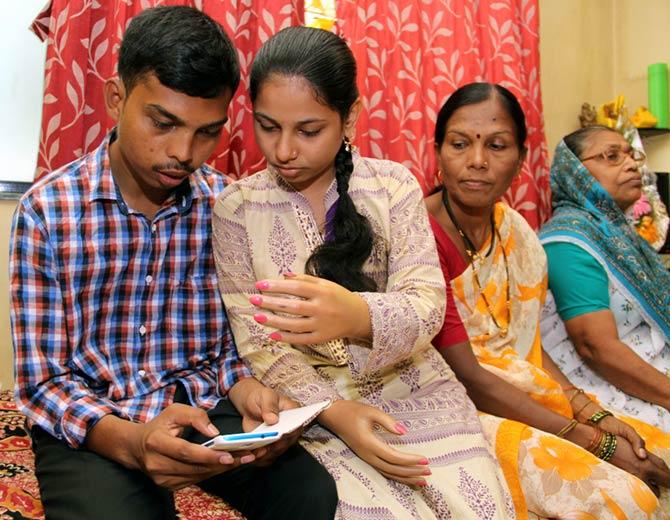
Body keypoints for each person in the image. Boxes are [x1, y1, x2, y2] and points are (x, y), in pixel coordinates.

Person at [9, 7, 336, 520]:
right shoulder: (49, 211)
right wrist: (134, 442)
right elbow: (43, 382)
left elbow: (232, 344)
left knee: (312, 493)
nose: (183, 153)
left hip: (205, 405)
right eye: (163, 123)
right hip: (101, 419)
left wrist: (249, 392)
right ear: (116, 97)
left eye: (207, 133)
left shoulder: (224, 204)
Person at [212, 27, 516, 519]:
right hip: (311, 406)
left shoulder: (394, 185)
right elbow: (258, 344)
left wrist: (356, 315)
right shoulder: (235, 208)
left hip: (419, 393)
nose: (284, 150)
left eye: (308, 131)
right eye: (268, 126)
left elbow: (427, 304)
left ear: (349, 116)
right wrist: (336, 415)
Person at [425, 82, 670, 518]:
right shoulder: (417, 236)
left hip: (524, 394)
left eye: (497, 146)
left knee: (660, 450)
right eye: (459, 144)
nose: (477, 161)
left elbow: (531, 351)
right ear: (438, 151)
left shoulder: (517, 234)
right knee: (623, 500)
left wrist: (595, 415)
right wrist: (595, 440)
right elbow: (467, 376)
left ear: (520, 160)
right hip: (452, 405)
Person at [540, 125, 670, 431]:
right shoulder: (568, 242)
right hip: (608, 388)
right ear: (576, 172)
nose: (630, 164)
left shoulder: (619, 234)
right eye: (612, 156)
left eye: (630, 155)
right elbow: (595, 347)